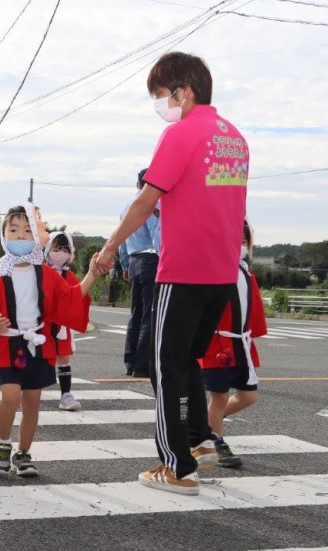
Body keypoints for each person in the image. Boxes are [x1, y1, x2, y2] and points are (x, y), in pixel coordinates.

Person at [95, 51, 249, 496]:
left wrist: (110, 246)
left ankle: (176, 466)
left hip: (183, 270)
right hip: (223, 271)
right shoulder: (234, 139)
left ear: (183, 91)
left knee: (164, 367)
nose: (160, 104)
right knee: (186, 360)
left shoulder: (180, 133)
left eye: (161, 95)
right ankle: (199, 439)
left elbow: (146, 200)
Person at [0, 205, 101, 477]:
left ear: (37, 236)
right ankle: (2, 444)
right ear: (3, 236)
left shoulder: (46, 273)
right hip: (7, 344)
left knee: (32, 403)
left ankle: (24, 453)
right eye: (14, 230)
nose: (21, 236)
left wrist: (92, 274)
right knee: (11, 395)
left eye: (28, 230)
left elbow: (70, 299)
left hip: (38, 344)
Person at [199, 219, 266, 468]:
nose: (240, 244)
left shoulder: (246, 273)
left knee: (249, 396)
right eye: (235, 239)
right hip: (217, 342)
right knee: (219, 396)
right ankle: (215, 441)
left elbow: (254, 309)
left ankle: (208, 422)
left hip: (241, 344)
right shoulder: (213, 270)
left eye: (244, 240)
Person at [118, 168, 161, 378]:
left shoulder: (127, 206)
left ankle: (130, 362)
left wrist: (125, 265)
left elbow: (122, 237)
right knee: (149, 315)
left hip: (134, 260)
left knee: (135, 314)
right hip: (151, 260)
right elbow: (157, 235)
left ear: (137, 184)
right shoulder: (152, 204)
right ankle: (142, 365)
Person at [45, 231, 84, 412]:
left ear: (70, 253)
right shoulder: (40, 271)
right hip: (42, 324)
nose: (60, 253)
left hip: (62, 326)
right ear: (47, 250)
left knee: (63, 358)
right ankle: (28, 389)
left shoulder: (71, 276)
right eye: (56, 248)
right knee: (38, 358)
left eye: (64, 249)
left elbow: (79, 297)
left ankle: (65, 394)